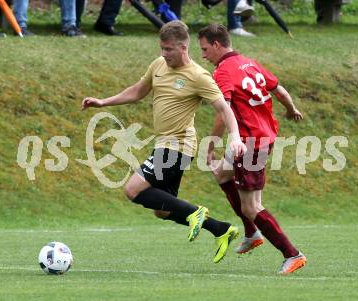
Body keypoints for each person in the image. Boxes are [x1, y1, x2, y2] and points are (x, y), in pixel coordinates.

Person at [82, 21, 247, 263]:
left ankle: (197, 212)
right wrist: (103, 102)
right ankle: (221, 229)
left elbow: (224, 108)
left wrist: (235, 137)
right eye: (162, 48)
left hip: (178, 147)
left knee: (132, 190)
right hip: (165, 145)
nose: (164, 54)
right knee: (163, 210)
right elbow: (138, 90)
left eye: (168, 49)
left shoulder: (198, 76)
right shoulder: (158, 65)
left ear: (183, 48)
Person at [198, 23, 306, 274]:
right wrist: (292, 109)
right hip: (262, 136)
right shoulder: (249, 62)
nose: (203, 55)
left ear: (217, 44)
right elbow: (277, 89)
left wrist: (211, 144)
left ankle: (293, 254)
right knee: (222, 174)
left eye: (204, 49)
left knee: (251, 206)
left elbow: (223, 113)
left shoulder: (223, 71)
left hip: (250, 142)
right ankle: (251, 233)